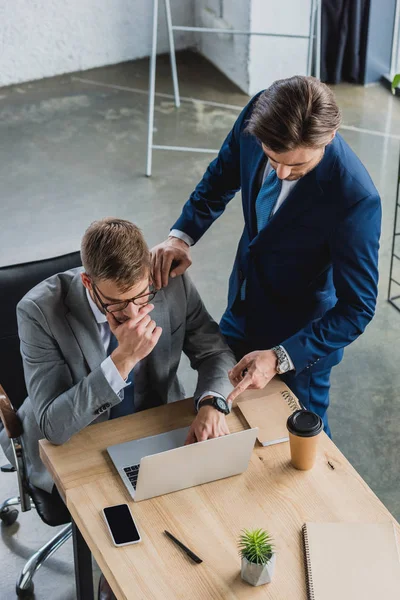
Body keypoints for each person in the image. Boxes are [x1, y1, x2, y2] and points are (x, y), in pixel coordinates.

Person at [0, 217, 235, 600]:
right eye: (117, 304)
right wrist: (121, 361)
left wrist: (212, 402)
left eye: (141, 298)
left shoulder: (167, 282)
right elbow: (53, 427)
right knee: (125, 562)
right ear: (88, 283)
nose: (133, 314)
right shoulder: (39, 312)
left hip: (150, 424)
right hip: (76, 441)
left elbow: (215, 352)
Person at [151, 76, 382, 437]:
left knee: (300, 441)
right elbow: (222, 175)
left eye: (298, 168)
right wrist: (181, 237)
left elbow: (358, 308)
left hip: (301, 342)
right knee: (221, 416)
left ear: (330, 136)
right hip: (242, 303)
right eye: (274, 159)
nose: (282, 173)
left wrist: (280, 357)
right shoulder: (260, 114)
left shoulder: (355, 199)